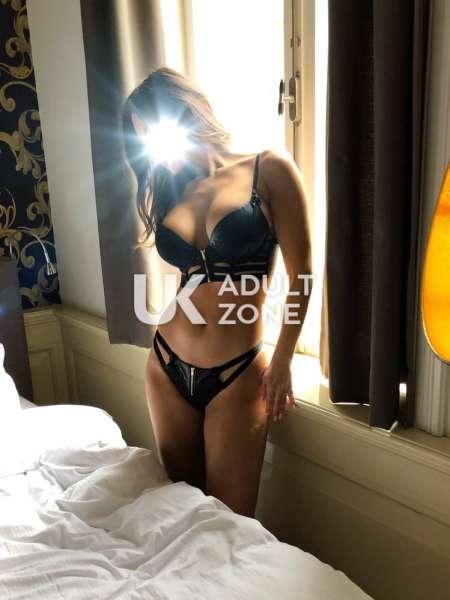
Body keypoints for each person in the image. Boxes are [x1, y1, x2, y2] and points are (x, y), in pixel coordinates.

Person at [122, 67, 312, 518]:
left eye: (156, 134)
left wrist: (284, 357)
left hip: (237, 373)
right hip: (166, 365)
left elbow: (302, 273)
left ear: (186, 114)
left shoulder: (269, 169)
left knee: (230, 525)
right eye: (143, 140)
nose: (153, 150)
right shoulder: (171, 190)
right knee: (181, 517)